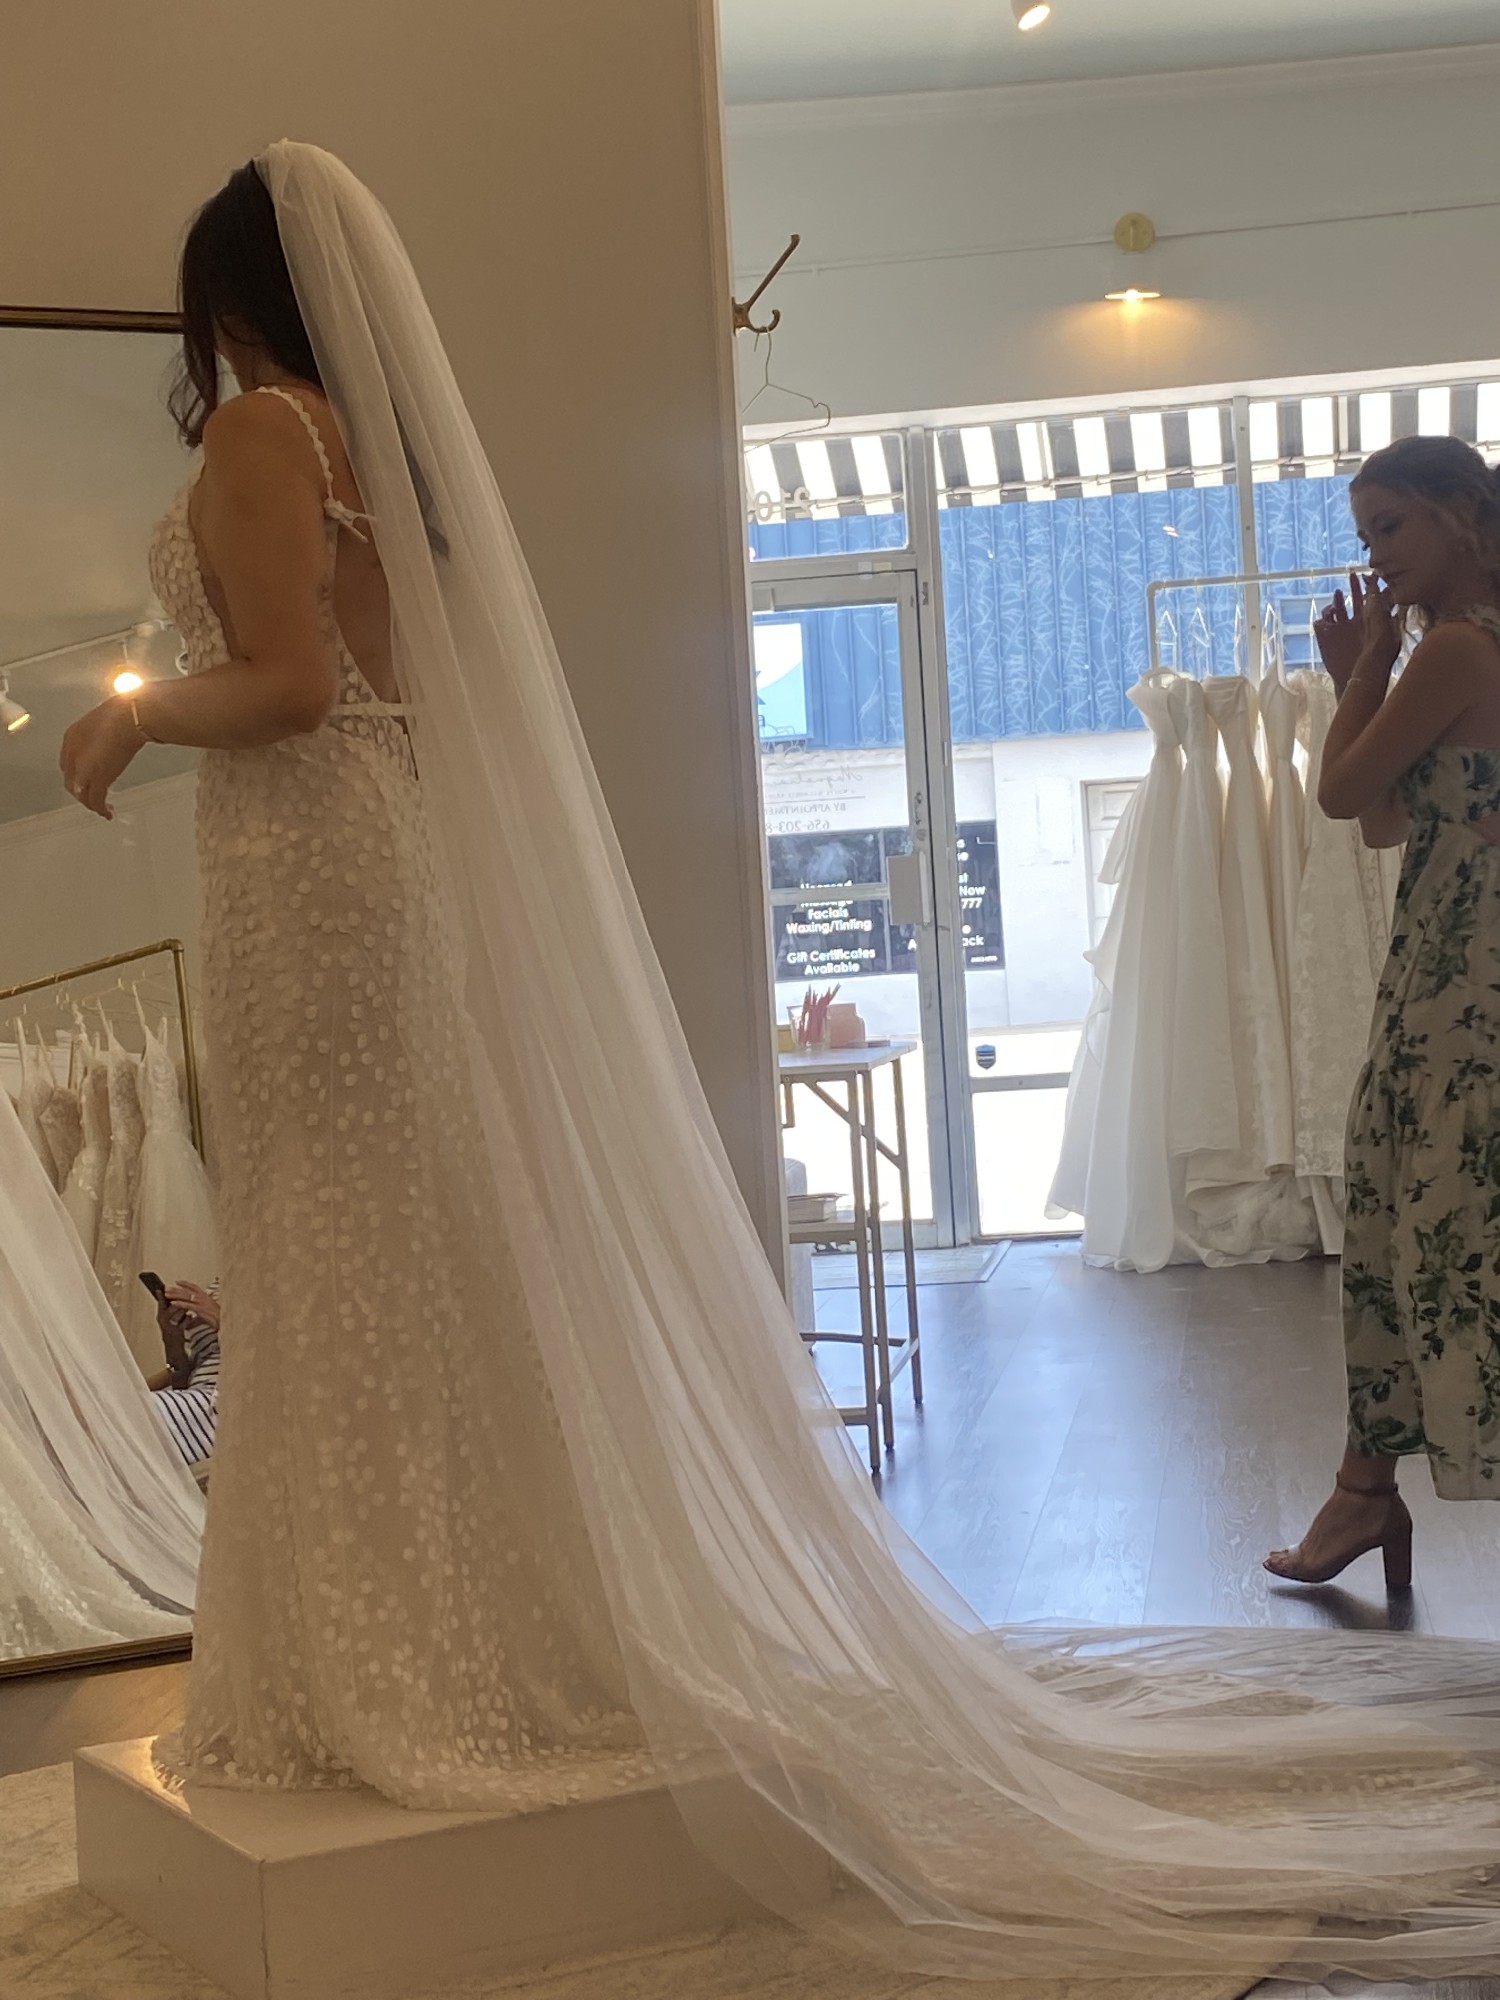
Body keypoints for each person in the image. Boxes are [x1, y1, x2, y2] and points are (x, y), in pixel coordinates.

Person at [55, 146, 1500, 1988]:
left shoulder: (269, 431)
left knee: (339, 1240)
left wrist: (129, 715)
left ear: (231, 296)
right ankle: (455, 1636)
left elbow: (289, 688)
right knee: (397, 1241)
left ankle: (382, 1667)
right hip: (371, 860)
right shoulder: (376, 453)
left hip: (304, 868)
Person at [1266, 436, 1500, 1585]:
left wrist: (1359, 666)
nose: (1376, 556)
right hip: (1448, 971)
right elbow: (1385, 824)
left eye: (1392, 526)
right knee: (1421, 1212)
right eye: (1366, 536)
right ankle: (1364, 1487)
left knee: (1427, 1218)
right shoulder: (1465, 644)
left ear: (1463, 512)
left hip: (1464, 984)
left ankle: (1365, 1492)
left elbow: (1341, 792)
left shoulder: (1457, 645)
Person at [145, 1280, 221, 1472]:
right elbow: (183, 1382)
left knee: (109, 1412)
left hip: (227, 1408)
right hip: (197, 1399)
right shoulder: (218, 1285)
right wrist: (172, 1339)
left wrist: (222, 1320)